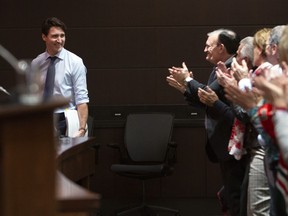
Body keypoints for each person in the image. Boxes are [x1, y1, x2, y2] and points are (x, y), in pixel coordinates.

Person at [167, 29, 246, 216]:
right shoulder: (220, 67)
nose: (204, 50)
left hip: (233, 144)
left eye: (208, 46)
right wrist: (185, 88)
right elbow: (209, 100)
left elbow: (208, 94)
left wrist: (187, 80)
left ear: (221, 47)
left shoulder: (231, 68)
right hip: (225, 144)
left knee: (235, 198)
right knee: (231, 195)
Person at [32, 17, 89, 137]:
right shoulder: (36, 63)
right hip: (42, 119)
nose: (59, 40)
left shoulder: (75, 62)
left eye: (62, 36)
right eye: (55, 36)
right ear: (44, 37)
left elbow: (81, 98)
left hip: (66, 118)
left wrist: (82, 129)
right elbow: (34, 96)